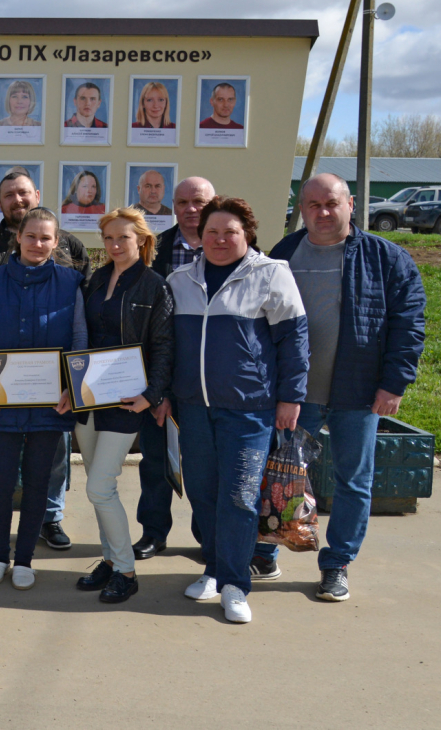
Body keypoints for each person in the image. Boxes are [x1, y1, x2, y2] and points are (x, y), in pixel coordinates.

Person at [254, 174, 425, 601]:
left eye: (331, 203)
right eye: (313, 205)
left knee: (354, 481)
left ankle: (337, 564)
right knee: (282, 477)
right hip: (295, 395)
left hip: (359, 393)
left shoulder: (386, 258)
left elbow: (410, 325)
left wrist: (393, 383)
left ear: (351, 204)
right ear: (302, 209)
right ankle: (268, 553)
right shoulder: (284, 253)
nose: (323, 212)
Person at [169, 197, 308, 624]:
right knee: (203, 493)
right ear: (200, 234)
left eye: (229, 232)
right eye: (212, 231)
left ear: (246, 233)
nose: (219, 239)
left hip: (249, 411)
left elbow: (294, 340)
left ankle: (234, 584)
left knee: (240, 497)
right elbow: (168, 346)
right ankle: (212, 568)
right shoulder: (179, 279)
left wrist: (291, 397)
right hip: (193, 409)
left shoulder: (270, 274)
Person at [0, 169, 86, 552]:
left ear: (56, 240)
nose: (37, 242)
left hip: (52, 394)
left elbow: (80, 334)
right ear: (17, 237)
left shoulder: (72, 271)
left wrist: (74, 388)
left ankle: (50, 519)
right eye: (30, 237)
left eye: (45, 237)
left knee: (48, 467)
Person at [73, 209, 174, 603]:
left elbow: (164, 346)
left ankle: (127, 571)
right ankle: (111, 561)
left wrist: (152, 394)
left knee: (101, 486)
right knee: (97, 489)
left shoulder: (154, 287)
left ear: (142, 241)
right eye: (109, 238)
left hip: (127, 400)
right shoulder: (97, 279)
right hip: (88, 397)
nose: (115, 245)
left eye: (124, 238)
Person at [138, 175, 215, 558]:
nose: (191, 210)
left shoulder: (236, 248)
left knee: (205, 465)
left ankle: (207, 535)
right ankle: (153, 532)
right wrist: (157, 388)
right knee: (156, 461)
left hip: (210, 381)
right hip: (161, 378)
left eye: (199, 202)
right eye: (183, 202)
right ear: (173, 206)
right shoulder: (155, 250)